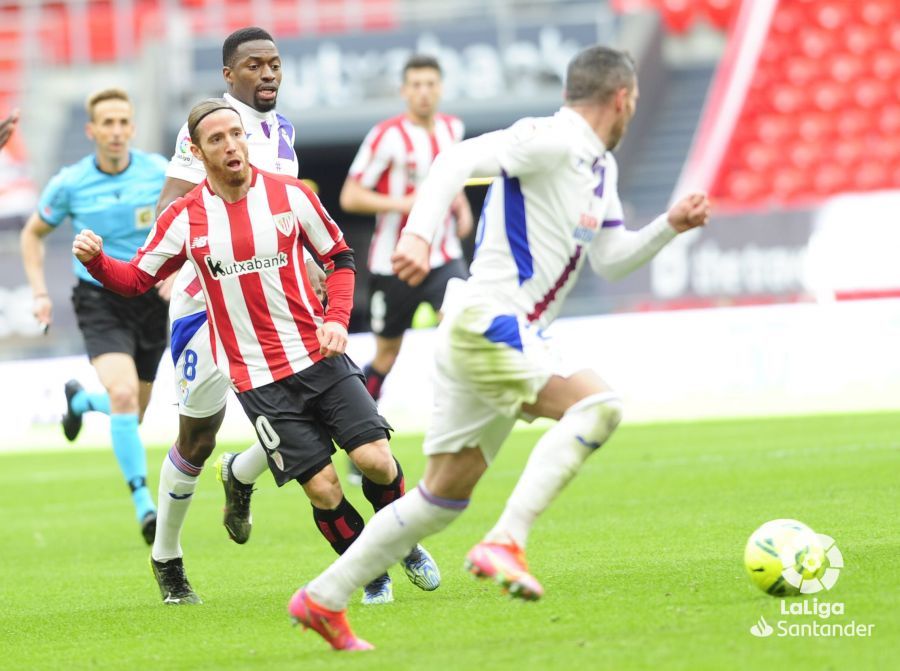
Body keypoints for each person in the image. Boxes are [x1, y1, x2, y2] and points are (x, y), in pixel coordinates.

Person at [287, 45, 712, 651]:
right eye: (634, 103)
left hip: (492, 330)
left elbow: (613, 259)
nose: (633, 113)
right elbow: (455, 159)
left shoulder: (599, 168)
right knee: (600, 405)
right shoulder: (551, 138)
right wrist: (416, 235)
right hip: (494, 319)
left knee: (439, 500)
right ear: (621, 99)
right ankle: (507, 540)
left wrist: (670, 224)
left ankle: (322, 599)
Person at [73, 99, 440, 608]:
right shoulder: (186, 217)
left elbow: (339, 257)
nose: (232, 146)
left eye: (236, 135)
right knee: (324, 491)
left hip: (318, 354)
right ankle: (370, 571)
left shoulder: (290, 195)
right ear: (198, 154)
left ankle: (404, 542)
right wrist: (97, 261)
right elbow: (136, 278)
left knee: (376, 461)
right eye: (217, 140)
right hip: (259, 378)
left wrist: (335, 319)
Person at [148, 26, 327, 605]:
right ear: (230, 75)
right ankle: (167, 558)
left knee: (321, 410)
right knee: (196, 438)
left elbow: (283, 208)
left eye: (275, 63)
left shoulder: (282, 130)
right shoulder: (208, 126)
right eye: (254, 65)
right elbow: (172, 200)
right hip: (207, 306)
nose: (268, 73)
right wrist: (174, 263)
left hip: (274, 306)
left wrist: (310, 262)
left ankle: (243, 473)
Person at [20, 88, 167, 544]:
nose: (117, 131)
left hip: (151, 299)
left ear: (133, 128)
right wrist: (41, 292)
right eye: (108, 123)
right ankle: (145, 505)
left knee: (134, 413)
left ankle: (81, 402)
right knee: (123, 394)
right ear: (91, 131)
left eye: (124, 122)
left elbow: (187, 222)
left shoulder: (160, 173)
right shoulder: (69, 183)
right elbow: (32, 234)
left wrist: (177, 273)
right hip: (99, 300)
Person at [339, 54, 473, 484]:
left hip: (444, 255)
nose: (423, 91)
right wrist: (406, 205)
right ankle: (358, 438)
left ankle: (457, 434)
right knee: (386, 354)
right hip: (393, 261)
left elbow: (453, 180)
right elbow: (350, 196)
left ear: (441, 88)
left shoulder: (454, 129)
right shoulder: (386, 137)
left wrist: (461, 207)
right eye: (415, 84)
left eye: (430, 83)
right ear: (404, 90)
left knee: (459, 327)